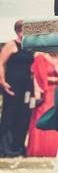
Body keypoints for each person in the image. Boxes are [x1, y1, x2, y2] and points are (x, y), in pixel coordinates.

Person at [0, 20, 35, 157]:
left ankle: (18, 147)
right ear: (19, 30)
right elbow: (1, 64)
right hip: (12, 86)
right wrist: (3, 82)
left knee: (23, 116)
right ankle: (5, 149)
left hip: (26, 86)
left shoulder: (28, 47)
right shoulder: (11, 45)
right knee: (10, 115)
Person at [26, 52, 58, 158]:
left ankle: (54, 150)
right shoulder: (41, 57)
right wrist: (56, 79)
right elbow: (40, 78)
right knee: (44, 116)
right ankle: (41, 149)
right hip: (47, 92)